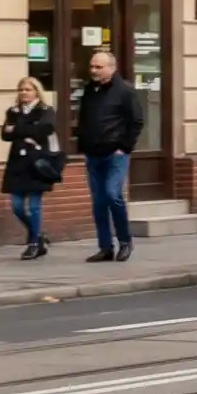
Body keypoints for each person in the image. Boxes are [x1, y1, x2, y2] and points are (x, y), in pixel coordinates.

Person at [77, 49, 144, 262]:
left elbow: (136, 121)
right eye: (92, 67)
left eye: (99, 67)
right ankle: (105, 247)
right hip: (93, 155)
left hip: (115, 155)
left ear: (112, 68)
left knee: (112, 194)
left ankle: (125, 242)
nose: (94, 71)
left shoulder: (125, 91)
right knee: (98, 202)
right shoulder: (89, 90)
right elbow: (85, 119)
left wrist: (123, 148)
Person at [1, 77, 59, 260]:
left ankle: (33, 243)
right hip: (17, 164)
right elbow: (5, 134)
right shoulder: (13, 111)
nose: (24, 92)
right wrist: (27, 129)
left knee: (34, 206)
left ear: (36, 91)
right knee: (17, 207)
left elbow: (45, 129)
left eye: (28, 89)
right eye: (21, 89)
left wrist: (18, 129)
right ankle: (39, 234)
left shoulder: (46, 110)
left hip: (37, 164)